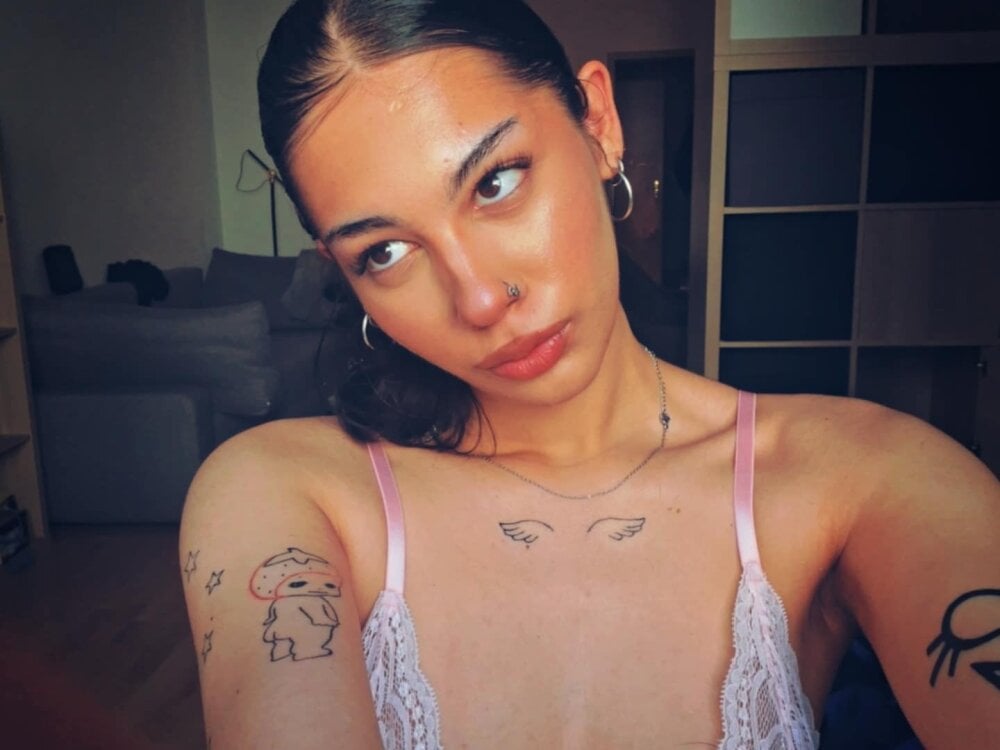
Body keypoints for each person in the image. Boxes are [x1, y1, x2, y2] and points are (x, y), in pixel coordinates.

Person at [179, 1, 1000, 747]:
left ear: (598, 122)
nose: (480, 299)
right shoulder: (286, 490)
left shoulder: (860, 475)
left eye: (496, 182)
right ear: (343, 273)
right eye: (385, 252)